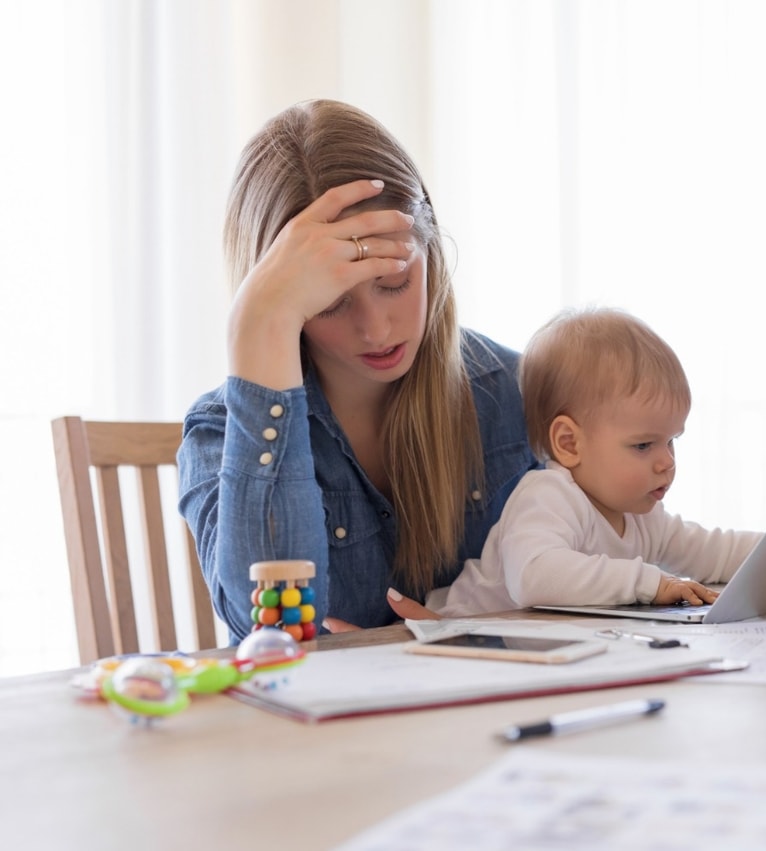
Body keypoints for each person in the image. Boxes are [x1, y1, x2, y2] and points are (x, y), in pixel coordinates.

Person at [178, 99, 538, 641]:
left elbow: (605, 580)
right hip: (312, 725)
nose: (376, 329)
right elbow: (270, 629)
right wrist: (255, 328)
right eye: (329, 302)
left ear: (431, 251)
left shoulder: (514, 392)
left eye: (394, 281)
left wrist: (463, 636)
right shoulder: (220, 432)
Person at [428, 307, 763, 616]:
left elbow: (713, 552)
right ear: (569, 443)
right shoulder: (548, 496)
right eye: (644, 445)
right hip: (461, 642)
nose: (667, 463)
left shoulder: (642, 516)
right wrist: (648, 583)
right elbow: (533, 577)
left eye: (671, 441)